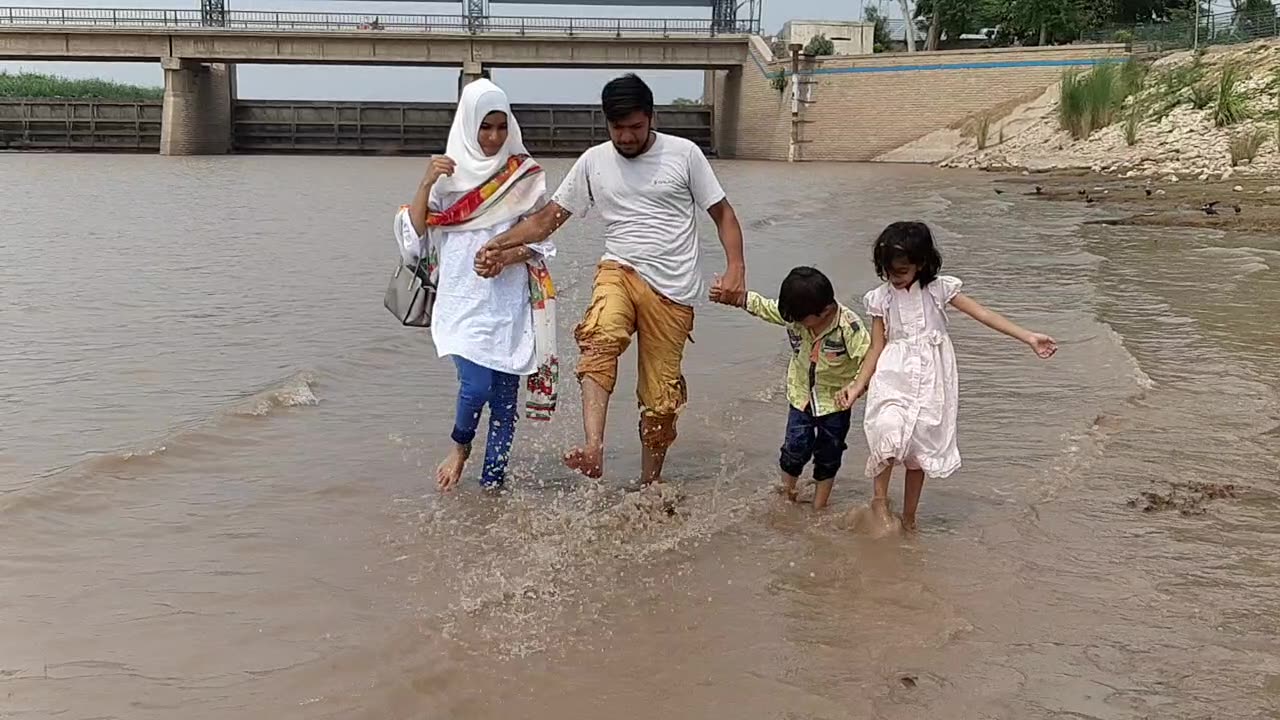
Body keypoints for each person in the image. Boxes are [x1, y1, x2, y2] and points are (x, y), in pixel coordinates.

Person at [474, 73, 747, 487]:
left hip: (672, 291)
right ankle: (594, 447)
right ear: (606, 123)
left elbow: (723, 214)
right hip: (619, 269)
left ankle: (650, 482)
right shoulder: (593, 162)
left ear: (651, 118)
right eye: (617, 128)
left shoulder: (685, 155)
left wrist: (735, 270)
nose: (626, 137)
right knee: (598, 338)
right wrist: (501, 241)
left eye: (635, 127)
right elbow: (549, 219)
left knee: (660, 401)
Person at [836, 221, 1058, 531]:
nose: (894, 279)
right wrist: (857, 385)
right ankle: (879, 504)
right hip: (893, 373)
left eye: (901, 271)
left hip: (932, 379)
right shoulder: (881, 298)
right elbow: (876, 346)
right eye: (888, 272)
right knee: (886, 429)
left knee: (920, 448)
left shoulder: (940, 289)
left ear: (921, 263)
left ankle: (910, 517)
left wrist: (1028, 337)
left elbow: (984, 314)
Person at [396, 78, 559, 493]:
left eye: (501, 127)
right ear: (468, 125)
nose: (493, 137)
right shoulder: (447, 177)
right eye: (485, 127)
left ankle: (492, 488)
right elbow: (412, 239)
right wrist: (425, 184)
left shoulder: (523, 175)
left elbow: (543, 240)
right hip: (461, 302)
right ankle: (460, 447)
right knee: (477, 386)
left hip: (507, 304)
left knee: (505, 406)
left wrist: (507, 255)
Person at [711, 267, 870, 510]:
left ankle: (819, 506)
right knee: (794, 448)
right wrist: (735, 298)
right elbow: (765, 307)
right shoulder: (796, 313)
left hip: (835, 402)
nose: (797, 325)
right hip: (801, 396)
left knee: (829, 453)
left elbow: (869, 359)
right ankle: (787, 495)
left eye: (802, 321)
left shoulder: (849, 327)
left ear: (825, 310)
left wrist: (856, 387)